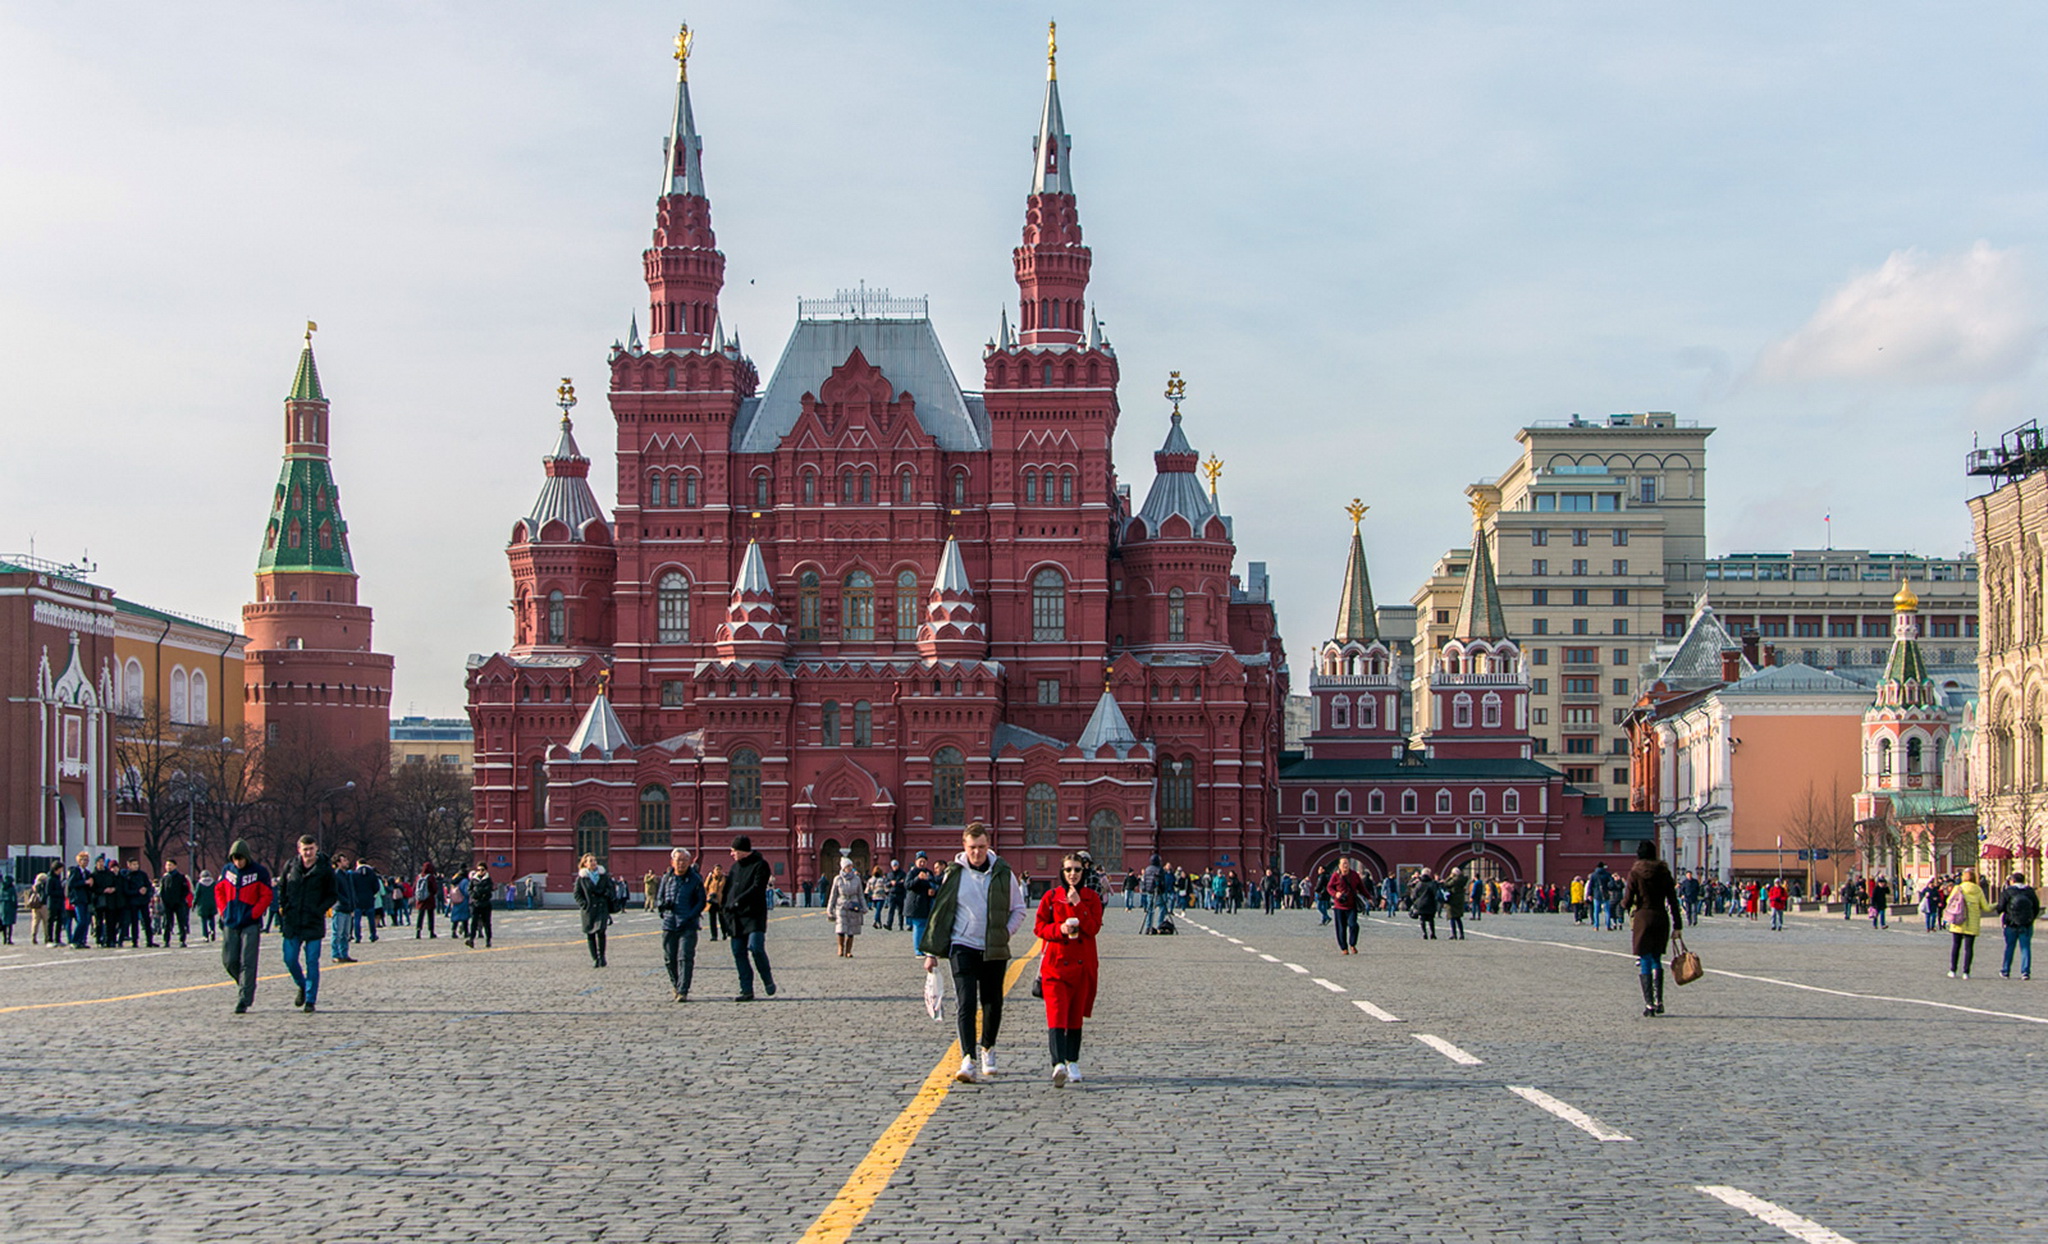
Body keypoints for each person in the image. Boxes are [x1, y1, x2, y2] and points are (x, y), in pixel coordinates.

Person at [922, 823, 1027, 1084]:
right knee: (966, 1002)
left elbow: (1019, 909)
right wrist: (930, 952)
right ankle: (967, 1058)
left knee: (992, 1004)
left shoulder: (1003, 873)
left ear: (988, 845)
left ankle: (987, 1049)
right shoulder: (954, 873)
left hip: (993, 948)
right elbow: (941, 912)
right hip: (962, 946)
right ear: (963, 846)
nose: (977, 853)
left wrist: (1004, 933)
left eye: (981, 847)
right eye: (972, 848)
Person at [1037, 852, 1103, 1086]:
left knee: (1075, 1017)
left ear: (1083, 872)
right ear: (1061, 872)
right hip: (1055, 968)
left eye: (1077, 869)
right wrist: (1059, 930)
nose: (1072, 874)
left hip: (1081, 966)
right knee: (1056, 1015)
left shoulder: (1091, 897)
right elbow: (1039, 928)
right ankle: (1058, 1064)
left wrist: (1078, 904)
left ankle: (1072, 1061)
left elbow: (1093, 928)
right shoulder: (1051, 897)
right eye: (1068, 870)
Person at [1622, 839, 1683, 1017]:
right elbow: (1673, 900)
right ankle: (1659, 1001)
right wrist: (1678, 925)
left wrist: (1623, 907)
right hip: (1661, 917)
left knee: (1645, 958)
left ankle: (1649, 1004)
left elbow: (1627, 899)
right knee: (1657, 957)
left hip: (1643, 917)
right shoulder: (1664, 872)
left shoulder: (1635, 873)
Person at [276, 835, 337, 1013]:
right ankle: (302, 985)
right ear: (299, 849)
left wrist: (319, 909)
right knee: (289, 958)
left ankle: (310, 999)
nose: (308, 852)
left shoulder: (324, 869)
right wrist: (284, 906)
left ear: (316, 848)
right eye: (305, 849)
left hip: (313, 921)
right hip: (293, 920)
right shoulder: (291, 866)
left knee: (312, 961)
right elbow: (282, 887)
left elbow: (333, 894)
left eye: (311, 848)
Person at [215, 840, 274, 1013]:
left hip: (250, 923)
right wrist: (223, 910)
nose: (238, 863)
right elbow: (219, 890)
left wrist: (255, 913)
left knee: (248, 961)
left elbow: (266, 895)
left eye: (240, 859)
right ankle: (244, 984)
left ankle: (244, 998)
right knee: (229, 960)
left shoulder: (260, 872)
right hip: (231, 921)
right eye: (235, 859)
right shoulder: (227, 871)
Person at [723, 836, 777, 1001]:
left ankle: (767, 979)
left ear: (741, 851)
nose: (731, 854)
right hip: (736, 917)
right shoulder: (734, 868)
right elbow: (728, 890)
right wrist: (725, 907)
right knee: (739, 952)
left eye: (733, 851)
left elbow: (757, 888)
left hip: (754, 916)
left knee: (756, 948)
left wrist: (739, 901)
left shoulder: (760, 865)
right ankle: (746, 989)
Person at [655, 848, 706, 1001]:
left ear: (689, 862)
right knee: (670, 958)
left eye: (684, 860)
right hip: (669, 923)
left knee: (685, 957)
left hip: (688, 925)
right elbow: (660, 897)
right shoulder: (667, 878)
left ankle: (683, 990)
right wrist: (663, 908)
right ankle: (676, 985)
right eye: (678, 860)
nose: (681, 863)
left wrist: (691, 915)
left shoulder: (695, 879)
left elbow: (701, 901)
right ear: (672, 862)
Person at [1946, 866, 1992, 979]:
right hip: (1972, 922)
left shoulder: (1958, 888)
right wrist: (1996, 905)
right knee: (1969, 948)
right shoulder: (1978, 890)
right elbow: (1986, 908)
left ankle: (1953, 970)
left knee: (1956, 946)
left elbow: (1949, 901)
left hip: (1958, 920)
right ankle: (1966, 972)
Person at [1996, 871, 2038, 980]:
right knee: (2025, 948)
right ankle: (2025, 972)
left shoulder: (2008, 891)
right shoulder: (2030, 891)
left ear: (2013, 881)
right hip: (2026, 923)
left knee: (2010, 947)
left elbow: (2000, 907)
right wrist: (2031, 918)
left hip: (2011, 923)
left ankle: (2005, 970)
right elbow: (2036, 907)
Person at [573, 853, 612, 968]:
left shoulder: (603, 875)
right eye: (590, 861)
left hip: (601, 908)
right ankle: (595, 958)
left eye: (594, 860)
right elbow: (577, 893)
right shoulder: (582, 878)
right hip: (589, 910)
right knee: (590, 934)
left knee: (601, 932)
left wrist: (606, 896)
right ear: (585, 864)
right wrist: (584, 904)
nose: (593, 863)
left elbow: (610, 888)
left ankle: (602, 957)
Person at [1325, 857, 1366, 955]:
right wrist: (1336, 894)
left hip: (1352, 906)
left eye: (1347, 863)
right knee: (1341, 928)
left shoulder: (1354, 875)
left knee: (1353, 925)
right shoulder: (1335, 875)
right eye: (1343, 863)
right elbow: (1329, 887)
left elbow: (1361, 887)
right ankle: (1344, 948)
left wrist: (1368, 897)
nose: (1345, 865)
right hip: (1339, 906)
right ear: (1339, 865)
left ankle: (1352, 944)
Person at [827, 858, 866, 957]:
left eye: (851, 866)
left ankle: (848, 951)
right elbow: (833, 895)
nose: (850, 868)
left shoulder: (856, 879)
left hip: (853, 905)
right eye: (848, 866)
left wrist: (864, 906)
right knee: (841, 928)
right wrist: (829, 909)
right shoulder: (838, 879)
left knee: (851, 930)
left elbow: (860, 894)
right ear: (843, 868)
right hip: (841, 905)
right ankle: (841, 948)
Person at [328, 851, 359, 962]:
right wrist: (344, 901)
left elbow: (351, 891)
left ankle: (344, 953)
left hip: (348, 907)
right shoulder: (336, 875)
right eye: (344, 860)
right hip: (340, 907)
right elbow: (335, 892)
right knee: (337, 933)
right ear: (338, 863)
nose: (347, 862)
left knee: (346, 934)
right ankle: (336, 954)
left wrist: (353, 902)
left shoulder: (347, 875)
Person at [905, 853, 937, 958]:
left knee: (925, 926)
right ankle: (918, 949)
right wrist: (918, 878)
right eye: (920, 861)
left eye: (924, 861)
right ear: (916, 862)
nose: (922, 863)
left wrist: (933, 890)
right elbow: (907, 885)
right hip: (916, 904)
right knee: (918, 926)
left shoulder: (929, 873)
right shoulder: (912, 873)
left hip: (926, 903)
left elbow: (933, 884)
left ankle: (924, 948)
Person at [158, 859, 192, 949]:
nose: (168, 867)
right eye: (167, 865)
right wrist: (163, 901)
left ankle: (182, 940)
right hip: (167, 904)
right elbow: (162, 891)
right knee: (167, 923)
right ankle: (166, 941)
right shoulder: (165, 877)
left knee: (181, 922)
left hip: (179, 903)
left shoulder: (180, 877)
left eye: (170, 865)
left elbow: (185, 890)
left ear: (175, 866)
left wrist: (180, 899)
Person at [466, 862, 495, 949]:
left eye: (482, 870)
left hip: (485, 903)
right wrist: (473, 894)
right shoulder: (474, 879)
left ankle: (488, 940)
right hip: (475, 903)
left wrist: (479, 891)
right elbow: (469, 889)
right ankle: (471, 940)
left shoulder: (488, 879)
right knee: (474, 922)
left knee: (487, 923)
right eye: (478, 870)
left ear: (486, 870)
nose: (480, 871)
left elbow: (488, 889)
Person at [1138, 854, 1166, 933]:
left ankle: (1148, 927)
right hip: (1158, 890)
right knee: (1162, 907)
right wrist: (1163, 890)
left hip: (1149, 890)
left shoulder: (1147, 869)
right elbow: (1163, 881)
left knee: (1149, 909)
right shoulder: (1159, 869)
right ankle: (1160, 925)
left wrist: (1144, 888)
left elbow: (1145, 880)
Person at [414, 862, 442, 939]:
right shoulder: (431, 877)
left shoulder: (418, 877)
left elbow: (414, 887)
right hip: (429, 898)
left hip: (420, 899)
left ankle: (418, 931)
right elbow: (434, 888)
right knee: (430, 915)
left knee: (420, 915)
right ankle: (431, 932)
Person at [1411, 868, 1441, 940]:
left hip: (1421, 904)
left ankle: (1424, 933)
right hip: (1430, 903)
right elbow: (1435, 893)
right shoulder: (1432, 883)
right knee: (1431, 920)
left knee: (1422, 919)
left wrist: (1416, 901)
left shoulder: (1419, 883)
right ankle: (1433, 933)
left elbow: (1414, 895)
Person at [1444, 867, 1468, 940]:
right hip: (1459, 900)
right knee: (1458, 918)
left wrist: (1449, 877)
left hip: (1453, 900)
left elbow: (1446, 884)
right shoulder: (1463, 879)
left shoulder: (1455, 879)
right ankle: (1461, 934)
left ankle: (1454, 934)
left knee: (1452, 918)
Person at [704, 864, 726, 942]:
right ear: (713, 870)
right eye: (717, 869)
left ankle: (725, 933)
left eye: (719, 869)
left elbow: (726, 889)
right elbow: (705, 887)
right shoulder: (710, 878)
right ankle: (714, 935)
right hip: (711, 902)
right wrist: (708, 896)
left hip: (720, 901)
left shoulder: (724, 878)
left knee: (722, 918)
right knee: (712, 920)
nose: (718, 871)